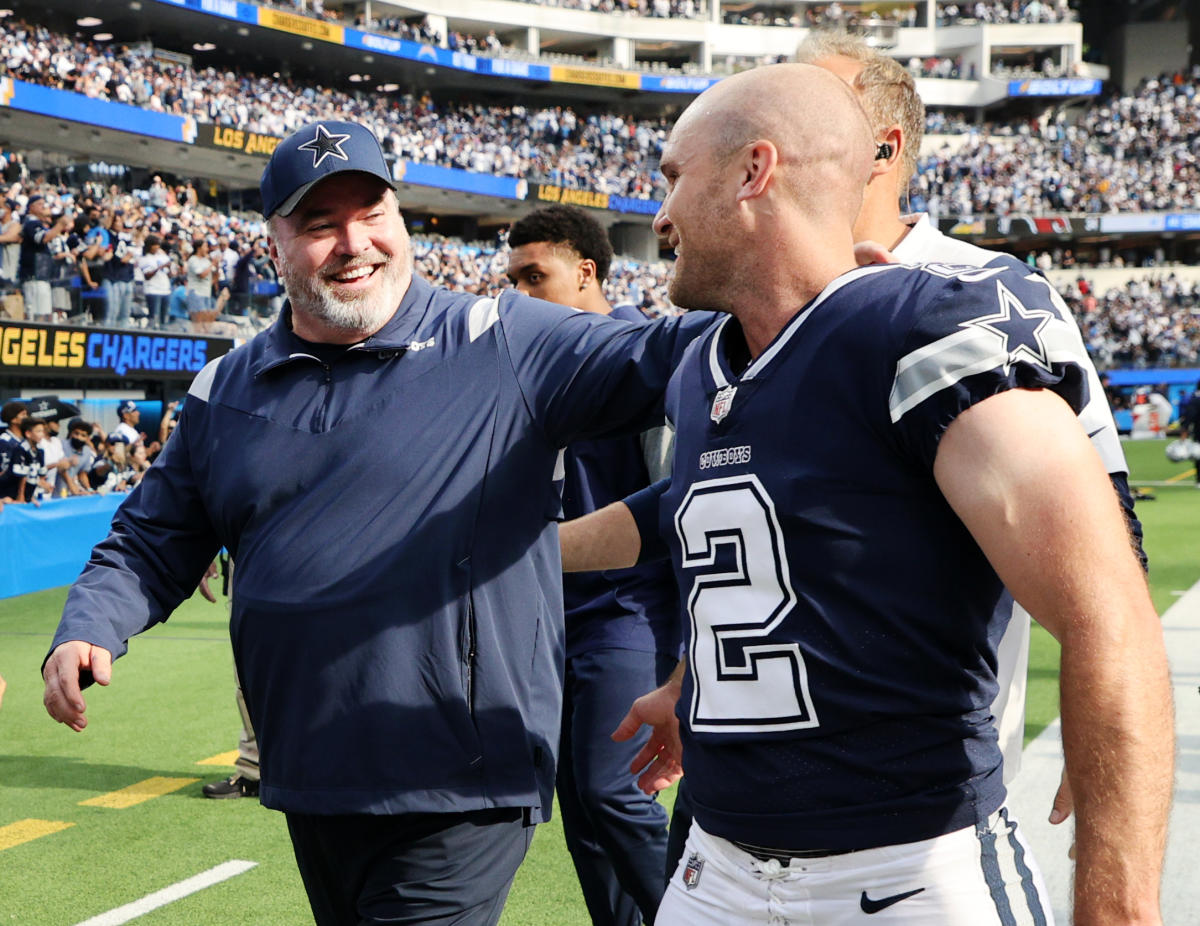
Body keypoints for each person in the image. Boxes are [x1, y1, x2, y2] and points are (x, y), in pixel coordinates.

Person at [42, 119, 707, 926]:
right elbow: (151, 539)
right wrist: (89, 624)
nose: (353, 243)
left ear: (399, 218)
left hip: (461, 780)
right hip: (313, 773)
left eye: (372, 214)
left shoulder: (498, 336)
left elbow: (672, 354)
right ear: (275, 244)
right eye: (320, 224)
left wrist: (828, 296)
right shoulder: (227, 388)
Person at [561, 63, 1172, 924]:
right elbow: (744, 518)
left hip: (908, 872)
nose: (658, 215)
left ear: (752, 171)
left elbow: (1107, 607)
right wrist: (693, 677)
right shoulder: (704, 360)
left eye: (672, 178)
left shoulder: (926, 330)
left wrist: (1117, 906)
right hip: (717, 868)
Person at [792, 28, 1145, 827]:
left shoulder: (995, 294)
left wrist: (1107, 727)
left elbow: (1106, 526)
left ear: (882, 149)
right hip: (743, 799)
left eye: (804, 106)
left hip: (928, 811)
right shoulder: (763, 306)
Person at [506, 204, 675, 926]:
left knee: (612, 792)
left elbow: (678, 504)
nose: (518, 295)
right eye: (510, 280)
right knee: (581, 809)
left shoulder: (649, 356)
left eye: (534, 277)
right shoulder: (524, 365)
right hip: (551, 617)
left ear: (587, 272)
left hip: (629, 613)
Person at [0, 400, 29, 504]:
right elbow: (6, 471)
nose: (27, 418)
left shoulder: (26, 440)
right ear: (13, 419)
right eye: (23, 415)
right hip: (7, 497)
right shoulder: (4, 441)